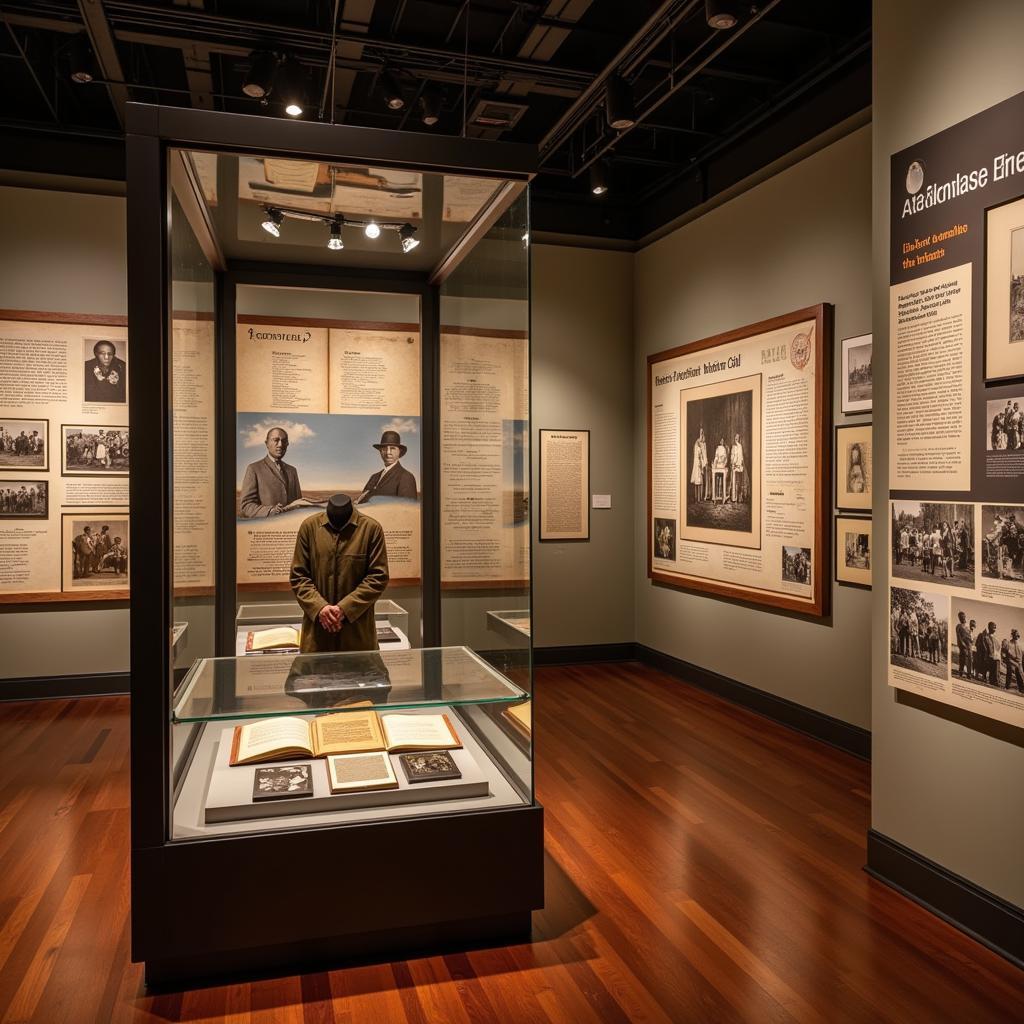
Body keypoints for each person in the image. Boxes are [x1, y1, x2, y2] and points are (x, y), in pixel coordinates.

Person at [290, 494, 389, 653]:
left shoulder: (371, 529)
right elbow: (299, 576)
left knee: (361, 677)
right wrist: (320, 608)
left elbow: (378, 577)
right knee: (314, 676)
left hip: (358, 639)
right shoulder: (309, 528)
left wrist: (344, 609)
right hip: (317, 639)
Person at [239, 427, 303, 518]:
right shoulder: (254, 469)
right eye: (276, 440)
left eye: (284, 441)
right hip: (266, 528)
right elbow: (246, 505)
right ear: (267, 443)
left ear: (287, 444)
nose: (280, 444)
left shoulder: (292, 470)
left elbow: (298, 503)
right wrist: (270, 511)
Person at [356, 430, 417, 503]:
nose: (388, 453)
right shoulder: (374, 477)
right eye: (384, 449)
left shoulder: (406, 477)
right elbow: (361, 501)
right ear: (380, 452)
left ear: (399, 451)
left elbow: (406, 510)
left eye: (392, 448)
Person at [977, 621, 1000, 687]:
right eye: (993, 626)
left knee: (995, 668)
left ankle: (994, 681)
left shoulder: (996, 638)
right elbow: (981, 647)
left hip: (994, 656)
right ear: (989, 627)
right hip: (987, 656)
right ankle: (991, 680)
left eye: (995, 626)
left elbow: (998, 647)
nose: (995, 627)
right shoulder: (985, 636)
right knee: (989, 668)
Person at [1002, 628, 1024, 692]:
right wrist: (1006, 660)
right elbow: (1003, 653)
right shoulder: (1008, 643)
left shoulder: (1021, 644)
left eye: (1017, 634)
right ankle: (1007, 687)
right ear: (1012, 635)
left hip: (1019, 662)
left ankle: (1021, 689)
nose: (1016, 636)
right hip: (1011, 661)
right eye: (1015, 634)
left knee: (1021, 676)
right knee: (1010, 674)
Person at [690, 427, 707, 503]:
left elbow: (703, 455)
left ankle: (700, 498)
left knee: (700, 481)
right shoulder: (697, 444)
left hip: (700, 463)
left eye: (702, 432)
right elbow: (696, 455)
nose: (701, 434)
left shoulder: (703, 443)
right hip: (696, 463)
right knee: (697, 480)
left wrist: (703, 463)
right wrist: (699, 462)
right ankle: (696, 497)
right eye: (700, 432)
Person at [729, 433, 745, 503]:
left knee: (738, 482)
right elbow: (732, 456)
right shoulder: (733, 447)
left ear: (739, 439)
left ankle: (739, 498)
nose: (736, 438)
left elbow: (741, 457)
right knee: (733, 481)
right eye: (736, 437)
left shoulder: (740, 446)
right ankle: (733, 498)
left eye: (738, 437)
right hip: (734, 466)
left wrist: (739, 464)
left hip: (739, 466)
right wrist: (733, 463)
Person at [955, 611, 972, 678]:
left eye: (963, 617)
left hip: (969, 644)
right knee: (963, 658)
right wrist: (962, 643)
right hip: (962, 644)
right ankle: (961, 672)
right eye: (960, 617)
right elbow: (958, 636)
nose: (962, 618)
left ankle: (969, 674)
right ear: (959, 618)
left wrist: (971, 642)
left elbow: (971, 634)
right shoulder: (958, 626)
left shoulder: (968, 625)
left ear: (965, 617)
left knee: (970, 659)